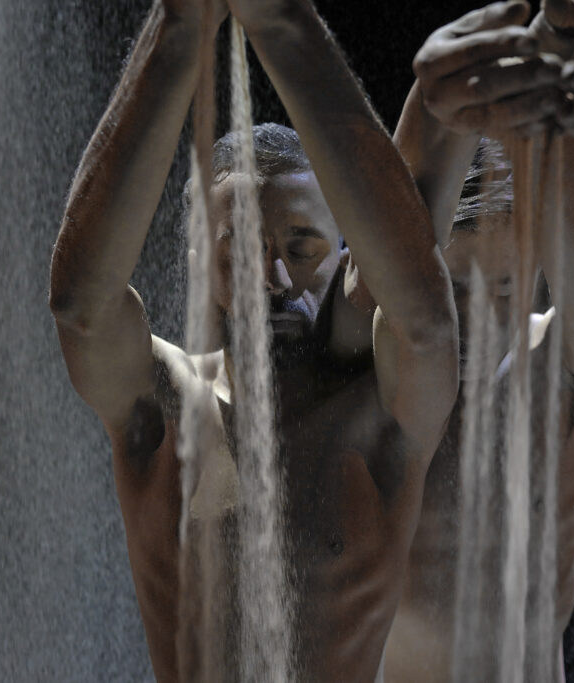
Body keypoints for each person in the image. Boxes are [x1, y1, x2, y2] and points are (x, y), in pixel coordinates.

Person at [47, 0, 458, 681]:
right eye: (238, 249)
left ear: (347, 258)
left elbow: (424, 310)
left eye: (301, 245)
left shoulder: (383, 408)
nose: (269, 276)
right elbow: (80, 307)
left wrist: (282, 21)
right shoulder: (165, 402)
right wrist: (180, 23)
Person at [383, 1, 574, 680]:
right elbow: (388, 245)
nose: (481, 316)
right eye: (456, 289)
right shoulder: (379, 371)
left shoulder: (559, 364)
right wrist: (438, 101)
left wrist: (559, 121)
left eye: (503, 288)